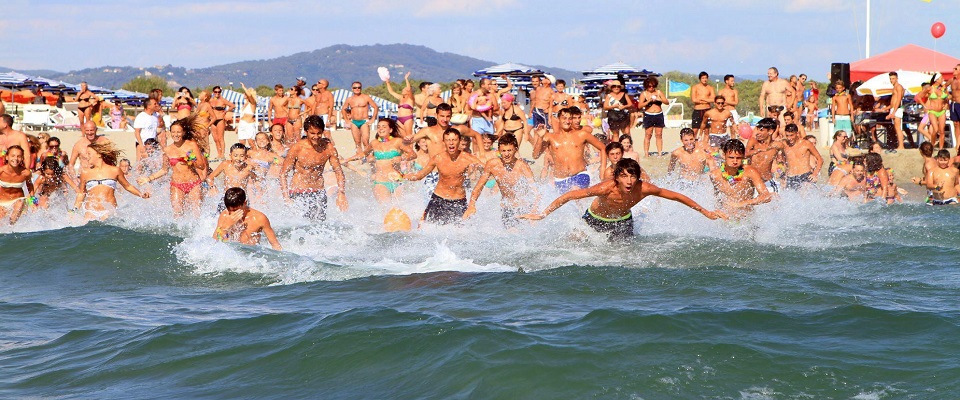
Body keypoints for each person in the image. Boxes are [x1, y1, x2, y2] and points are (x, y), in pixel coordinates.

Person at [521, 158, 725, 241]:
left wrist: (705, 211)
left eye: (632, 176)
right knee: (576, 244)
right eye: (624, 176)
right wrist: (542, 214)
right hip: (595, 220)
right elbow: (569, 195)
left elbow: (677, 196)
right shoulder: (606, 187)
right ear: (617, 177)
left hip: (623, 222)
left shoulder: (644, 188)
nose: (629, 181)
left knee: (624, 256)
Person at [404, 128, 482, 225]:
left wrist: (472, 204)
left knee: (460, 233)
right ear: (444, 142)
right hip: (438, 199)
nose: (451, 143)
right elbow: (420, 175)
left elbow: (486, 171)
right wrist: (403, 176)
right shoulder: (438, 158)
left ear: (459, 141)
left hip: (459, 201)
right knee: (424, 228)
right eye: (448, 140)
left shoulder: (468, 158)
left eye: (454, 140)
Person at [137, 115, 208, 218]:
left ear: (183, 132)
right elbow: (164, 170)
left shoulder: (191, 145)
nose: (176, 134)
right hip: (176, 185)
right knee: (177, 214)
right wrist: (148, 179)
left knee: (196, 213)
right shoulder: (167, 150)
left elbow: (201, 166)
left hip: (193, 183)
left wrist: (191, 160)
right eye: (173, 132)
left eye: (178, 132)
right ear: (170, 133)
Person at [279, 115, 347, 221]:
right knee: (301, 226)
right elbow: (283, 173)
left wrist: (341, 193)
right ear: (306, 132)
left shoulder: (329, 148)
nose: (316, 136)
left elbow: (338, 172)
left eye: (319, 133)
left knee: (320, 224)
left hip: (318, 191)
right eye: (312, 133)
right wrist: (286, 197)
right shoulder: (297, 148)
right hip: (298, 191)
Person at [463, 134, 536, 227]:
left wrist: (534, 210)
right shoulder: (493, 164)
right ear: (499, 151)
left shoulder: (522, 166)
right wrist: (471, 205)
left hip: (524, 208)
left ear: (516, 150)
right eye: (503, 151)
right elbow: (479, 186)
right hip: (507, 208)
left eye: (509, 150)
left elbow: (535, 191)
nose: (506, 154)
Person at [533, 106, 607, 194]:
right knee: (567, 205)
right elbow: (535, 155)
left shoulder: (582, 134)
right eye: (564, 118)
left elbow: (603, 148)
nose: (567, 121)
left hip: (580, 175)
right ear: (558, 119)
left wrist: (602, 170)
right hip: (560, 180)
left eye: (570, 118)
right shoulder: (550, 137)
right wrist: (540, 138)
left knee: (574, 192)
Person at [343, 118, 415, 204]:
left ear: (391, 130)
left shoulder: (398, 141)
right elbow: (362, 154)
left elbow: (413, 154)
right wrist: (347, 160)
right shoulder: (374, 143)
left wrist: (402, 158)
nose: (381, 129)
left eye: (384, 127)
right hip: (381, 182)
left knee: (398, 209)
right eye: (379, 127)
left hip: (397, 180)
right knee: (385, 209)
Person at [74, 141, 149, 220]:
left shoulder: (115, 170)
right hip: (90, 210)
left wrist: (141, 194)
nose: (86, 156)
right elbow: (81, 193)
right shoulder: (85, 172)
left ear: (99, 154)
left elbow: (128, 186)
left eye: (89, 153)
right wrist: (74, 210)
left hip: (109, 210)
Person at [708, 139, 772, 218]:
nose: (735, 161)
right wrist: (717, 212)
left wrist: (742, 203)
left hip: (746, 219)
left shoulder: (750, 172)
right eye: (731, 157)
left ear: (743, 157)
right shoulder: (715, 175)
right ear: (724, 156)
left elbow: (766, 196)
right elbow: (718, 198)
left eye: (738, 158)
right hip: (726, 220)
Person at [213, 187, 282, 250]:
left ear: (245, 203)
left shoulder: (259, 218)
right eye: (229, 210)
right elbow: (215, 241)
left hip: (251, 255)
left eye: (235, 210)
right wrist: (226, 227)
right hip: (232, 254)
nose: (232, 213)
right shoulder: (225, 215)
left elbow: (275, 244)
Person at [745, 118, 786, 193]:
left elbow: (786, 159)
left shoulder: (778, 145)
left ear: (770, 131)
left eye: (761, 130)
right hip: (751, 182)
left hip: (767, 182)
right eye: (757, 130)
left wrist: (783, 173)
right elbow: (745, 154)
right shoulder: (753, 141)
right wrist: (758, 150)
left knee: (775, 202)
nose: (757, 133)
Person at [0, 146, 34, 225]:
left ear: (22, 158)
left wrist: (32, 200)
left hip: (18, 201)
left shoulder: (26, 173)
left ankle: (12, 228)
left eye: (19, 156)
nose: (15, 159)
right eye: (13, 156)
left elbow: (29, 185)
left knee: (20, 203)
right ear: (7, 157)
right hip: (2, 202)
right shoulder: (1, 171)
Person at [782, 123, 823, 189]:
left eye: (791, 135)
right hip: (790, 177)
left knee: (805, 196)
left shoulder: (806, 143)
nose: (789, 138)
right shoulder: (784, 144)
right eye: (787, 136)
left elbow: (820, 159)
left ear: (797, 133)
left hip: (805, 176)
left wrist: (815, 174)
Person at [636, 76, 669, 156]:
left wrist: (659, 99)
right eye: (649, 86)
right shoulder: (644, 94)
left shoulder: (658, 92)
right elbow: (640, 106)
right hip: (648, 115)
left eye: (653, 86)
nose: (651, 88)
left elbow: (667, 102)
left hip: (658, 114)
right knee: (648, 134)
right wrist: (649, 101)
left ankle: (660, 153)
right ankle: (646, 153)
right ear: (646, 86)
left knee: (659, 134)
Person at [342, 81, 379, 152]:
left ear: (361, 88)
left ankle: (368, 158)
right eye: (355, 87)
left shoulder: (366, 97)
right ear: (352, 89)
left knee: (365, 141)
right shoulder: (349, 99)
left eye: (359, 87)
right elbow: (343, 109)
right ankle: (360, 159)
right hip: (354, 122)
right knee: (357, 143)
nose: (357, 89)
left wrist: (373, 118)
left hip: (364, 121)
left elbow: (375, 107)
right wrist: (346, 120)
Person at [384, 72, 416, 140]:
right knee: (402, 137)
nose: (402, 90)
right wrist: (388, 83)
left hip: (408, 118)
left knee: (409, 136)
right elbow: (391, 92)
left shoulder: (411, 99)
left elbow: (409, 88)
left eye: (404, 89)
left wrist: (406, 79)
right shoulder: (401, 97)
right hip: (399, 119)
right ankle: (404, 150)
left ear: (408, 91)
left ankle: (410, 149)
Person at [691, 71, 716, 143]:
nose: (704, 79)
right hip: (698, 110)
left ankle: (705, 146)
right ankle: (693, 145)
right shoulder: (695, 87)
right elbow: (694, 99)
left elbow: (713, 99)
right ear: (700, 79)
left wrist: (703, 99)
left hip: (707, 110)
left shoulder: (710, 88)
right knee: (695, 130)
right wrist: (706, 100)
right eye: (703, 78)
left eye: (706, 78)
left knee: (706, 130)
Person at [926, 74, 949, 150]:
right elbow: (918, 97)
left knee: (942, 131)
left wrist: (946, 104)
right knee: (934, 130)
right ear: (936, 80)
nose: (942, 79)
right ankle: (932, 145)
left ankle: (940, 149)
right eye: (941, 78)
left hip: (941, 112)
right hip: (931, 112)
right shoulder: (930, 89)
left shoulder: (943, 88)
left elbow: (948, 97)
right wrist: (925, 106)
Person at [885, 71, 906, 151]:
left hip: (897, 109)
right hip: (894, 109)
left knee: (898, 127)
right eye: (890, 79)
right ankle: (899, 144)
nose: (891, 80)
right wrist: (887, 108)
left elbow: (898, 100)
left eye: (893, 78)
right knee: (896, 127)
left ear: (897, 78)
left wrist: (893, 112)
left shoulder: (899, 87)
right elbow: (893, 101)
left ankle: (901, 145)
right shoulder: (894, 87)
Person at [236, 84, 260, 149]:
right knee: (241, 142)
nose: (244, 94)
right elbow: (242, 116)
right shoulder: (245, 103)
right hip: (242, 124)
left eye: (245, 93)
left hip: (249, 124)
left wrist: (244, 87)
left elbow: (249, 95)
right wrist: (238, 126)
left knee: (251, 142)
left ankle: (255, 156)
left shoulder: (252, 103)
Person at [951, 65, 960, 149]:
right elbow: (942, 88)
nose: (954, 70)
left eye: (956, 69)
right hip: (954, 104)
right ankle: (957, 143)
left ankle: (959, 144)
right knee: (956, 124)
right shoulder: (952, 80)